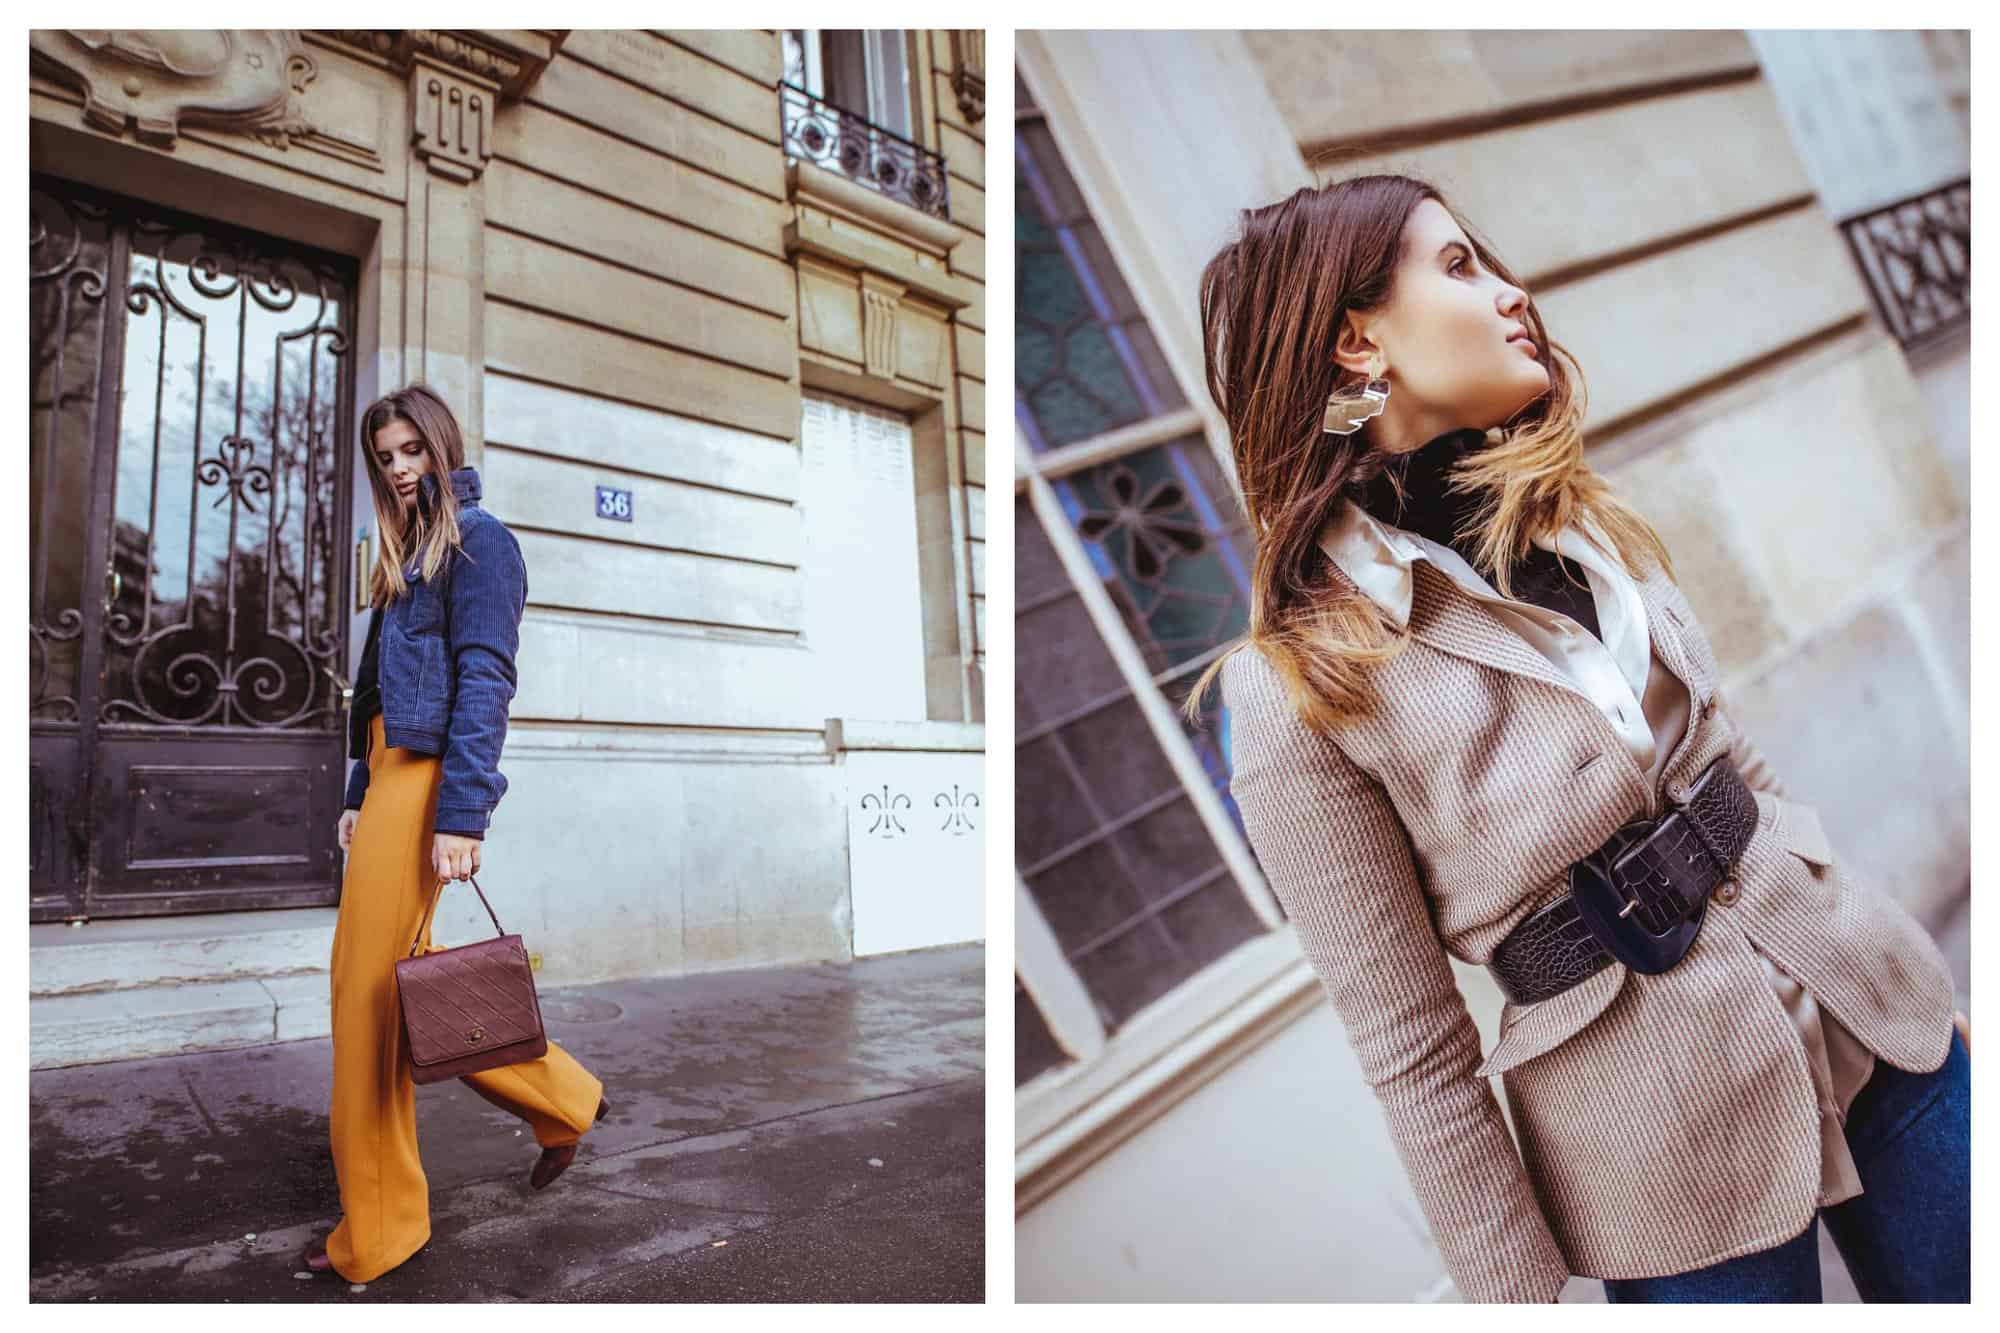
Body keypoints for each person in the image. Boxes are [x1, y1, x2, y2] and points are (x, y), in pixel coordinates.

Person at [1185, 175, 1968, 1303]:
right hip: (1664, 1160)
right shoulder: (1299, 686)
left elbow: (1734, 771)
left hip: (1871, 1020)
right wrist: (1519, 1302)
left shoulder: (1574, 519)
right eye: (1457, 267)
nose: (1511, 295)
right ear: (1356, 342)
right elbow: (1414, 1051)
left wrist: (1893, 968)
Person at [305, 384, 608, 1282]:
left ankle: (385, 1226)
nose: (399, 468)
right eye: (386, 456)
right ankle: (565, 1098)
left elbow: (486, 682)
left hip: (434, 786)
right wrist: (362, 788)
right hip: (391, 778)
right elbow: (376, 692)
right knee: (399, 991)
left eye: (411, 450)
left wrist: (463, 815)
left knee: (364, 998)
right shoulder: (402, 552)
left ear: (443, 446)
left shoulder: (483, 545)